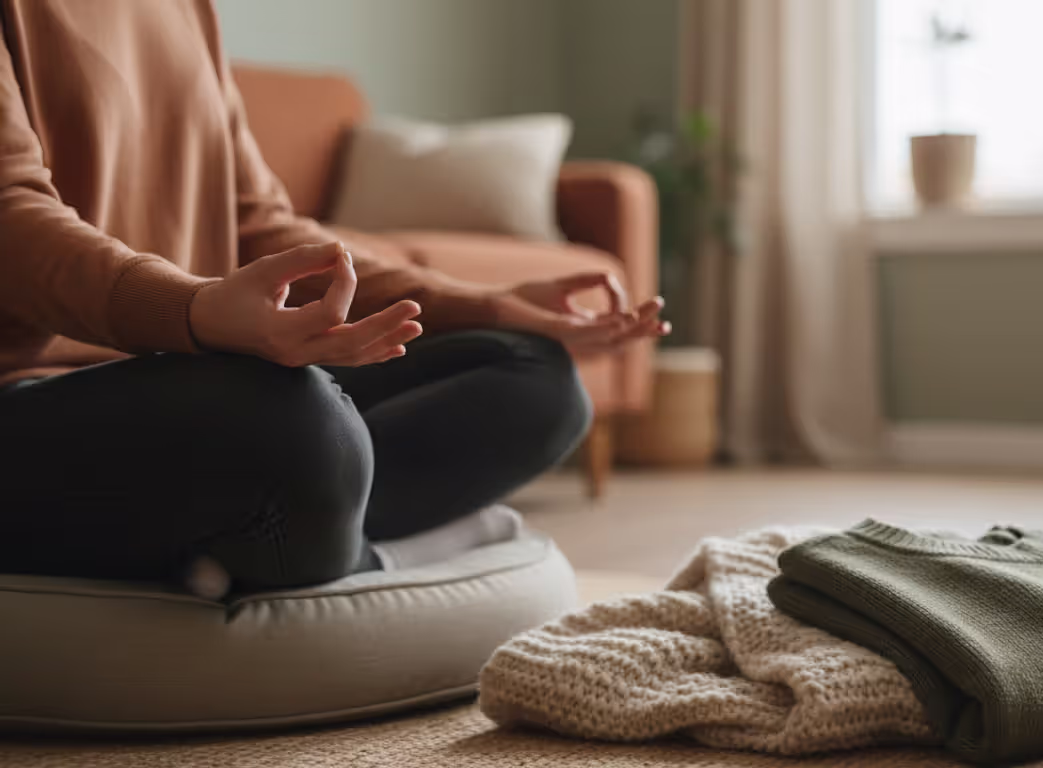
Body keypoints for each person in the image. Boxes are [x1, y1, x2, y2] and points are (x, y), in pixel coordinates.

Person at [0, 0, 666, 596]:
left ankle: (300, 536)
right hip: (33, 396)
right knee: (298, 425)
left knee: (536, 375)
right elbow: (11, 215)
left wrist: (492, 305)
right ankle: (354, 549)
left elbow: (258, 223)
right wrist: (196, 310)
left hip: (186, 377)